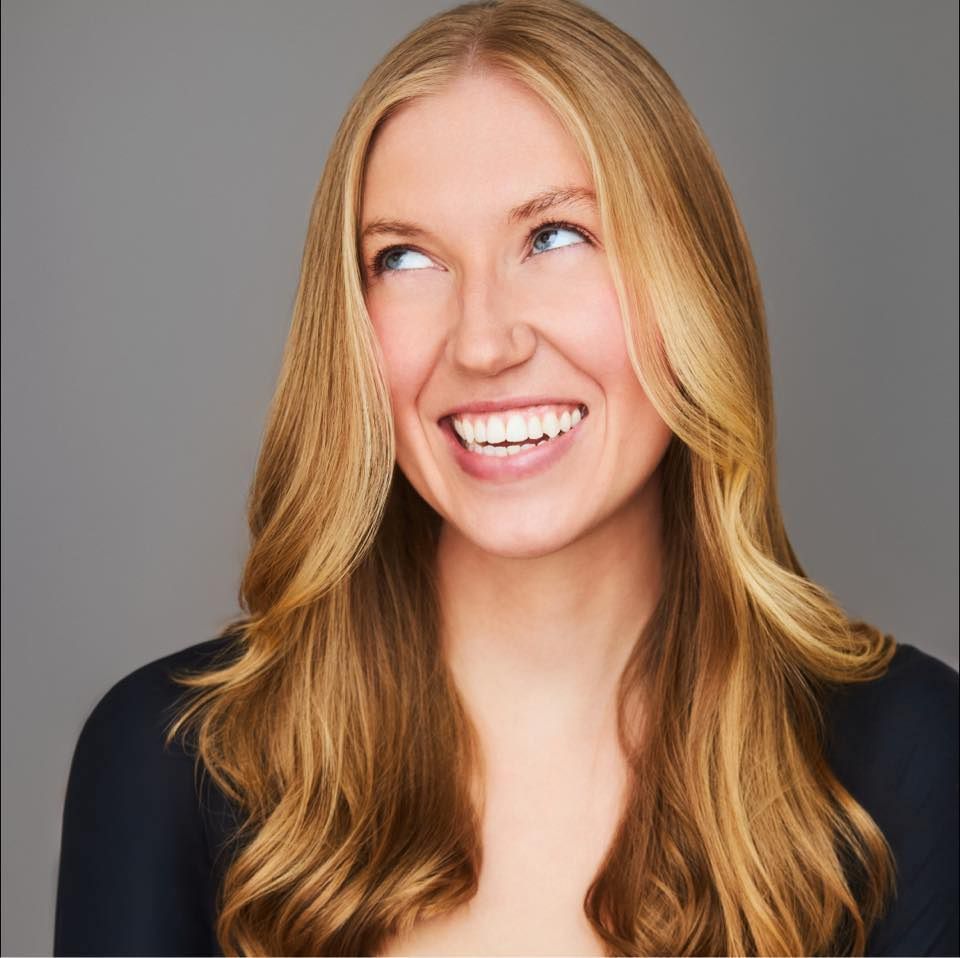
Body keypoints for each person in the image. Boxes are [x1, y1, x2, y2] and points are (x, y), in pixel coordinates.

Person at [53, 0, 959, 955]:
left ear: (692, 279)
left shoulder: (906, 760)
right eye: (404, 258)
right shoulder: (171, 767)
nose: (484, 341)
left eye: (556, 236)